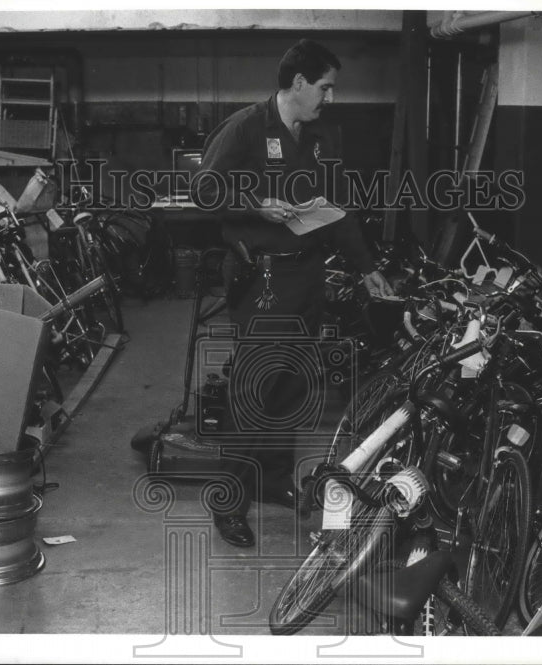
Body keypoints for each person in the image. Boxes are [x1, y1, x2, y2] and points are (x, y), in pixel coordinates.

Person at [193, 39, 393, 547]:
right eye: (325, 86)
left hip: (308, 278)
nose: (330, 96)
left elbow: (338, 210)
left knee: (292, 387)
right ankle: (228, 503)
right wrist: (255, 204)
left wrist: (367, 268)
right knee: (254, 390)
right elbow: (204, 190)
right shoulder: (245, 128)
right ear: (299, 83)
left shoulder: (322, 137)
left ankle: (275, 480)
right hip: (263, 279)